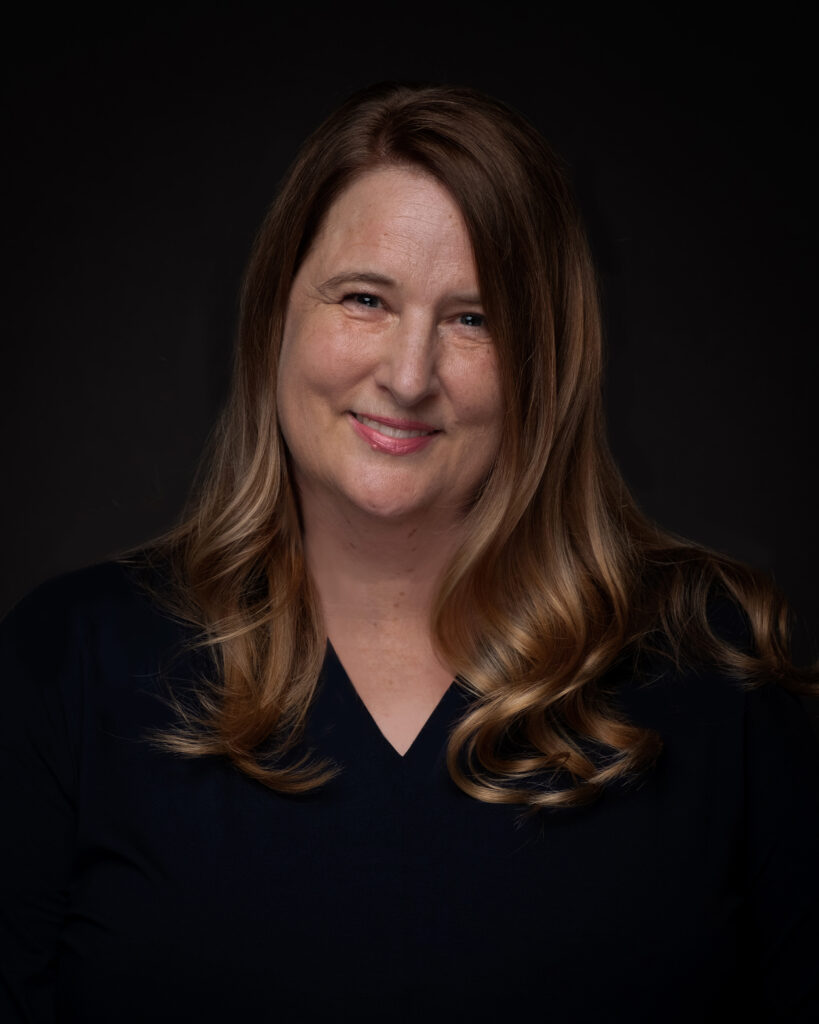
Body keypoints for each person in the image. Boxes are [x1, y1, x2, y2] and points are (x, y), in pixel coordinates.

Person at [1, 82, 817, 1023]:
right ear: (275, 314)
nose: (407, 374)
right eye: (364, 299)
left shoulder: (715, 678)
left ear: (545, 362)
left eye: (474, 319)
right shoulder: (69, 664)